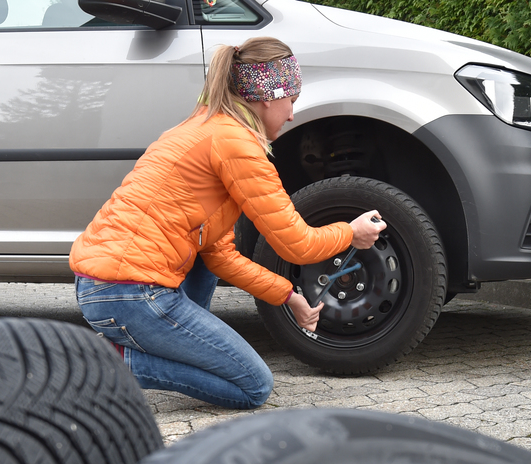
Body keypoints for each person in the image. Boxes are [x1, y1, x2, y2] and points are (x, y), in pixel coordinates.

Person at [71, 36, 386, 409]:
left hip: (103, 285)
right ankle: (95, 363)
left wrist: (288, 296)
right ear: (269, 96)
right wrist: (351, 232)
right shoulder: (237, 145)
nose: (291, 115)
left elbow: (219, 256)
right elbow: (297, 245)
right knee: (253, 386)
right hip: (132, 293)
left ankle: (167, 350)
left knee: (205, 263)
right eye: (291, 101)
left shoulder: (203, 128)